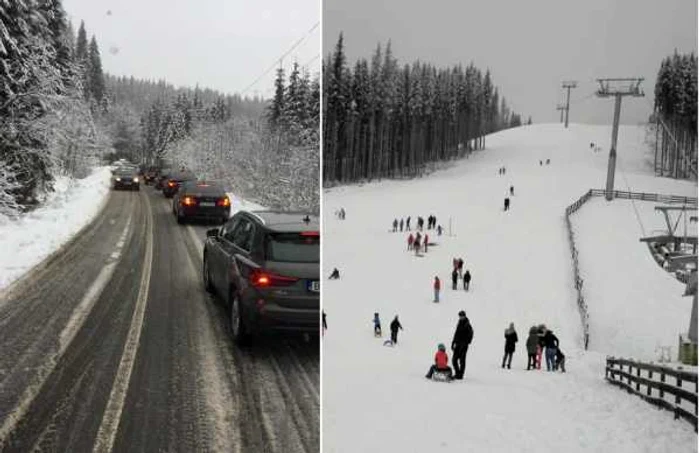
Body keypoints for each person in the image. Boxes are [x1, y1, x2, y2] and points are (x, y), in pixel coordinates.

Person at [451, 311, 473, 380]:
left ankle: (460, 375)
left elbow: (471, 334)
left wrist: (466, 342)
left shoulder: (467, 324)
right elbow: (456, 333)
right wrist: (453, 342)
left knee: (462, 360)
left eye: (461, 316)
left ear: (464, 316)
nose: (460, 317)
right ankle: (457, 373)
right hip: (457, 344)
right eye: (460, 316)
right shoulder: (459, 323)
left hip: (464, 345)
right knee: (454, 360)